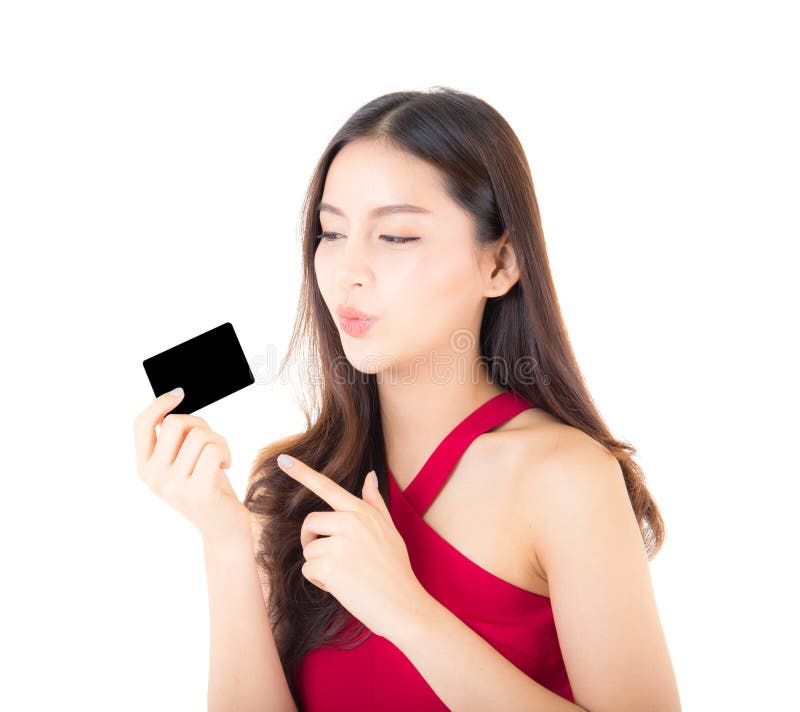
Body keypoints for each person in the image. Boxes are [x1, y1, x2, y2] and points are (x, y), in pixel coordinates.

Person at [134, 86, 681, 711]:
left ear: (500, 263)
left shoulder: (565, 478)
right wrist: (225, 540)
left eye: (395, 237)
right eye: (331, 232)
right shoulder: (293, 485)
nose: (348, 269)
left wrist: (406, 611)